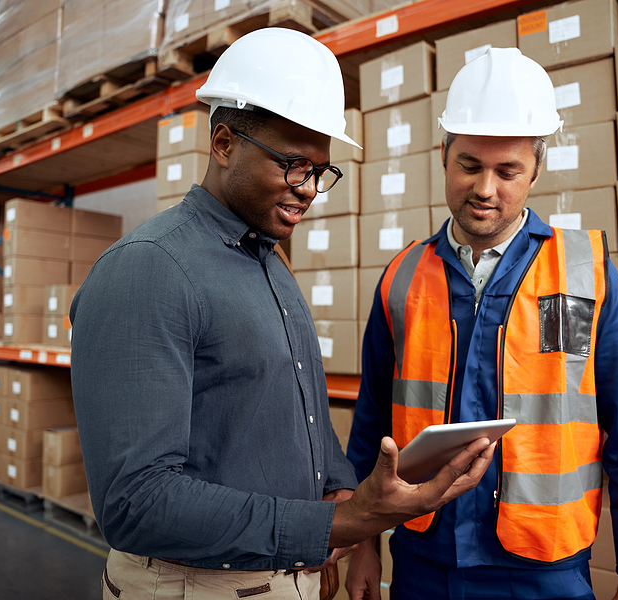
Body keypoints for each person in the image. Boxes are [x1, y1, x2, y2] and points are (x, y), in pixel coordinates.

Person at [69, 28, 496, 600]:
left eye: (320, 172)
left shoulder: (269, 263)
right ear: (223, 143)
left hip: (281, 573)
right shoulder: (148, 270)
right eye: (294, 166)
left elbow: (297, 417)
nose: (309, 190)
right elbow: (135, 504)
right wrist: (338, 525)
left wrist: (341, 490)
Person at [345, 47, 618, 600]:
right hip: (423, 560)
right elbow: (372, 423)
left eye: (508, 171)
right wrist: (362, 539)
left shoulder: (584, 274)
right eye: (469, 166)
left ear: (537, 169)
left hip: (544, 569)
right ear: (443, 155)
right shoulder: (403, 276)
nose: (486, 189)